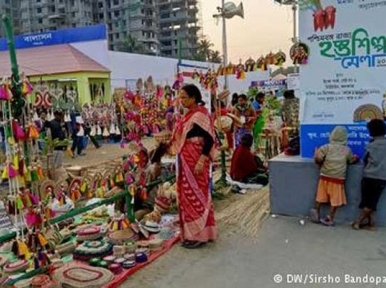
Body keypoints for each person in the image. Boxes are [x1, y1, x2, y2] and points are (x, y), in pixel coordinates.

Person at [169, 84, 217, 249]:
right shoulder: (187, 116)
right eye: (180, 97)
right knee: (187, 197)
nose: (181, 101)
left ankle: (199, 236)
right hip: (186, 160)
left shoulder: (200, 115)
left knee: (197, 197)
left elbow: (209, 139)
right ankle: (198, 233)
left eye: (184, 97)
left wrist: (201, 161)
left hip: (196, 161)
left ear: (194, 98)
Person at [310, 126, 358, 226]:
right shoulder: (347, 150)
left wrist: (316, 153)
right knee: (335, 199)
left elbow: (318, 158)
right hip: (338, 179)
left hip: (324, 176)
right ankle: (330, 218)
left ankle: (316, 211)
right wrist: (356, 158)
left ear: (332, 136)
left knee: (320, 195)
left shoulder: (326, 147)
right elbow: (351, 160)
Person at [352, 119, 386, 230]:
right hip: (381, 177)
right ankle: (371, 224)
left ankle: (358, 222)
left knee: (368, 201)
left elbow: (365, 160)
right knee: (371, 202)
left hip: (368, 176)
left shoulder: (370, 145)